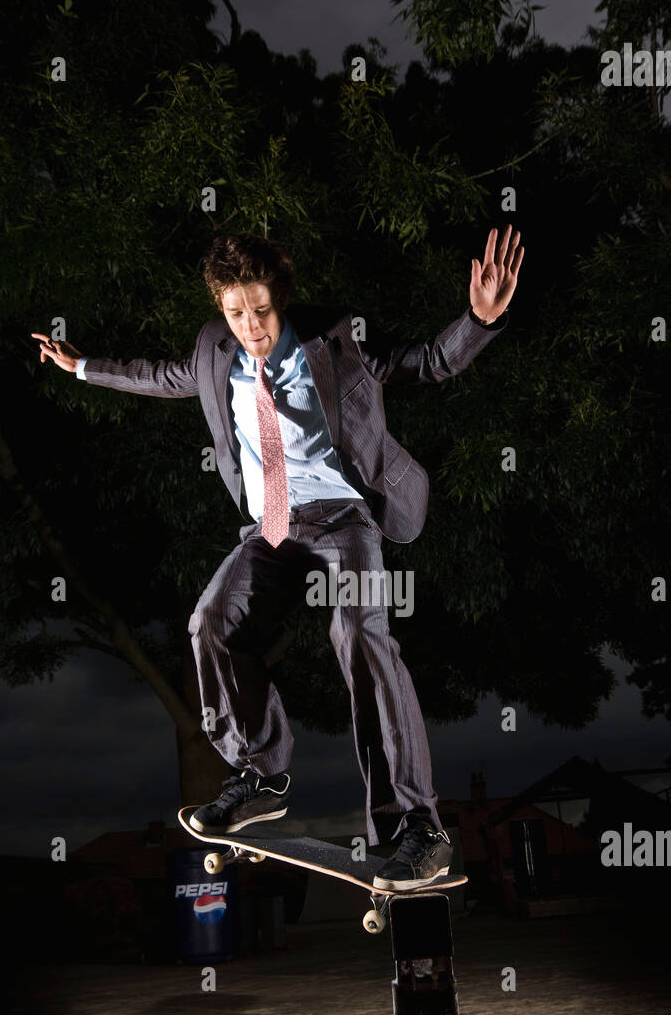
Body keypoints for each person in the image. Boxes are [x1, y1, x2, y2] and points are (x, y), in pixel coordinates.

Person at [32, 225, 524, 890]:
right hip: (271, 527)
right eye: (236, 313)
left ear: (281, 301)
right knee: (210, 624)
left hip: (344, 517)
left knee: (357, 634)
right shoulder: (214, 348)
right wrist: (82, 367)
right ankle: (260, 776)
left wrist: (479, 319)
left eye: (261, 311)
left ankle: (417, 827)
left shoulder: (341, 338)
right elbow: (160, 376)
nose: (251, 328)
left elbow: (429, 361)